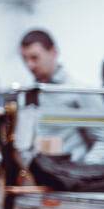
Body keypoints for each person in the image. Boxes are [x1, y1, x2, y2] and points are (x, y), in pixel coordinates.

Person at [19, 29, 104, 163]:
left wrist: (85, 171)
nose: (29, 65)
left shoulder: (79, 90)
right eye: (25, 59)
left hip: (72, 177)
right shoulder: (28, 94)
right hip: (37, 176)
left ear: (53, 52)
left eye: (34, 57)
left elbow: (102, 139)